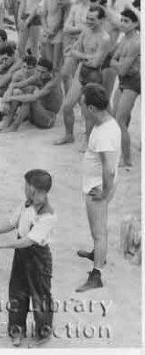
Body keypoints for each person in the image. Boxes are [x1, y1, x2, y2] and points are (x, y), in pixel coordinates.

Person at [0, 170, 56, 348]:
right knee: (17, 291)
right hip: (22, 254)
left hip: (38, 256)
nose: (23, 188)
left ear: (33, 189)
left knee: (40, 295)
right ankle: (17, 330)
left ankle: (42, 334)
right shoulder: (25, 204)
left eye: (25, 185)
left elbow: (29, 241)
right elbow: (13, 222)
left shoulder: (48, 215)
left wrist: (3, 245)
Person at [75, 84, 119, 292]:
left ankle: (97, 274)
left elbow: (109, 170)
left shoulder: (103, 134)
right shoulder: (107, 124)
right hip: (98, 185)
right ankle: (97, 254)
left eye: (82, 105)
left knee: (98, 232)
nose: (80, 108)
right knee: (99, 231)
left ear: (91, 108)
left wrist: (104, 192)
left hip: (97, 188)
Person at [55, 6, 111, 146]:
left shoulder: (104, 38)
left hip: (94, 76)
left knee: (88, 113)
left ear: (102, 20)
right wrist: (86, 56)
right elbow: (73, 50)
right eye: (87, 18)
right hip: (81, 72)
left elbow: (95, 62)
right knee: (67, 106)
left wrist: (81, 56)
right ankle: (69, 135)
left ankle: (89, 142)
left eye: (92, 19)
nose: (89, 21)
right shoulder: (85, 30)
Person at [110, 8, 140, 168]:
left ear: (135, 23)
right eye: (121, 20)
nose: (122, 23)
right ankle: (122, 150)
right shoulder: (124, 39)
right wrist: (118, 63)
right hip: (124, 80)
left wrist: (118, 63)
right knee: (117, 116)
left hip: (133, 82)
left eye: (126, 21)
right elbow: (113, 62)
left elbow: (120, 68)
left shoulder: (136, 43)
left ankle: (127, 159)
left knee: (120, 119)